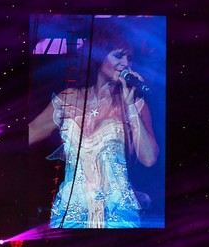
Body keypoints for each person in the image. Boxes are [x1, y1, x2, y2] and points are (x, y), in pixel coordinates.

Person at [29, 20, 158, 228]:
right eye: (119, 55)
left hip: (117, 214)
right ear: (99, 55)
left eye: (129, 58)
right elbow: (29, 133)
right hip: (72, 211)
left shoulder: (136, 105)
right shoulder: (68, 100)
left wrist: (130, 106)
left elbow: (149, 158)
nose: (126, 63)